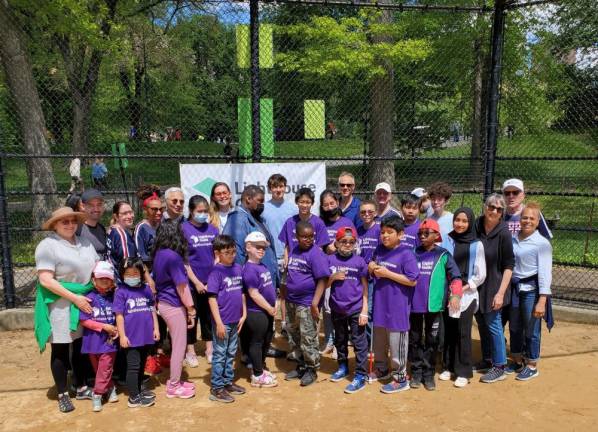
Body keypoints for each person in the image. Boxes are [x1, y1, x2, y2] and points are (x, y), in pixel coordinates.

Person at [34, 207, 99, 413]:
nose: (70, 225)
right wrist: (74, 298)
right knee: (61, 349)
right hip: (61, 304)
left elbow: (96, 267)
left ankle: (80, 387)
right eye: (65, 222)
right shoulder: (48, 246)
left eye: (73, 221)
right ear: (55, 225)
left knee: (80, 346)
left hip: (84, 300)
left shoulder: (85, 242)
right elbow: (45, 279)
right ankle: (62, 393)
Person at [367, 216, 419, 395]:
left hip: (398, 308)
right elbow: (372, 263)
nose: (385, 236)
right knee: (379, 341)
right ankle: (381, 368)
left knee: (397, 343)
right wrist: (372, 265)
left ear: (401, 234)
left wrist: (388, 273)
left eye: (390, 232)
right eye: (382, 232)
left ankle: (400, 377)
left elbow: (412, 280)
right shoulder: (379, 249)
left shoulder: (406, 254)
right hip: (381, 304)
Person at [408, 219, 462, 391]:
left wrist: (455, 295)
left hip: (435, 306)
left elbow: (456, 277)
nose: (422, 237)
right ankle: (416, 372)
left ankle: (428, 373)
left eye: (426, 233)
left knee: (432, 340)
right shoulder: (412, 252)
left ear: (436, 235)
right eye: (420, 234)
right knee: (415, 339)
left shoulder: (443, 255)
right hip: (414, 305)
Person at [442, 208, 486, 388]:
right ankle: (449, 366)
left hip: (467, 295)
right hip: (448, 292)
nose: (460, 224)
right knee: (448, 331)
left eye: (464, 221)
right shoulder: (446, 239)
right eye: (457, 220)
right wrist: (451, 290)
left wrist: (461, 289)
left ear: (470, 223)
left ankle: (463, 371)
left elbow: (480, 274)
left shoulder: (477, 244)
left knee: (462, 332)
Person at [283, 221, 331, 387]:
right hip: (291, 301)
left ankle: (311, 368)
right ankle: (301, 364)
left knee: (308, 336)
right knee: (294, 334)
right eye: (304, 237)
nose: (308, 240)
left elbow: (323, 280)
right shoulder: (295, 251)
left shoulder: (316, 254)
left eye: (311, 237)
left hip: (307, 302)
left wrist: (314, 303)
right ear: (296, 237)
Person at [508, 202, 553, 381]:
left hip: (531, 291)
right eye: (524, 217)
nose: (527, 221)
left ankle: (532, 364)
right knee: (514, 326)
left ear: (537, 221)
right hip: (515, 289)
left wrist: (542, 300)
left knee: (531, 329)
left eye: (531, 218)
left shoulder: (541, 243)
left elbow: (545, 274)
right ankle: (518, 359)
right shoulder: (513, 238)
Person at [151, 220, 196, 399]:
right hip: (173, 304)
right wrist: (191, 309)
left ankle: (175, 382)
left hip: (164, 302)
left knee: (178, 344)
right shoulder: (173, 256)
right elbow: (182, 287)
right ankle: (174, 386)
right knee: (179, 346)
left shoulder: (160, 253)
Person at [474, 194, 515, 383]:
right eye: (492, 207)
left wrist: (500, 293)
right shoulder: (476, 225)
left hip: (495, 286)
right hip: (477, 284)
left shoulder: (504, 232)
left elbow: (509, 265)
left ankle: (500, 366)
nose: (494, 211)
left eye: (499, 209)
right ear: (485, 207)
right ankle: (487, 359)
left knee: (494, 324)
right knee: (481, 323)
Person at [324, 227, 369, 394]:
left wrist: (365, 310)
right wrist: (333, 277)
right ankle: (343, 367)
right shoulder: (329, 260)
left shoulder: (359, 262)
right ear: (336, 243)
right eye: (344, 241)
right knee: (340, 340)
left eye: (351, 242)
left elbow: (365, 287)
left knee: (359, 342)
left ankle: (360, 375)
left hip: (356, 308)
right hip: (337, 307)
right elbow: (323, 284)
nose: (348, 244)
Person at [114, 257, 160, 408]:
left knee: (141, 366)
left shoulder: (146, 289)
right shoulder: (121, 292)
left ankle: (139, 390)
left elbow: (152, 308)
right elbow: (119, 315)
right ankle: (133, 397)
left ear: (141, 273)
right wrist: (122, 335)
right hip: (131, 337)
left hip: (146, 335)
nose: (132, 277)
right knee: (133, 367)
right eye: (128, 274)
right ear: (122, 274)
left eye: (135, 273)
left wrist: (156, 328)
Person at [207, 235, 247, 403]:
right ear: (217, 253)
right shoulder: (216, 272)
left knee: (231, 353)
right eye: (227, 252)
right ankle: (217, 388)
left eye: (233, 251)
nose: (231, 255)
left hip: (236, 320)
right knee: (220, 354)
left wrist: (244, 314)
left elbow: (242, 293)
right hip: (222, 322)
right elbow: (211, 298)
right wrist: (218, 323)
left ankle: (227, 382)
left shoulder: (238, 268)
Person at [181, 195, 219, 366]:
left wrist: (211, 280)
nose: (203, 214)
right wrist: (196, 282)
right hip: (191, 283)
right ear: (191, 211)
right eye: (199, 211)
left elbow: (217, 255)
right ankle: (190, 350)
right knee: (191, 316)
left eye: (205, 211)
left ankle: (209, 348)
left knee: (208, 315)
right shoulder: (183, 229)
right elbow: (184, 260)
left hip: (210, 281)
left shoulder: (213, 230)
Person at [318, 189, 356, 356]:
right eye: (325, 205)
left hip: (344, 269)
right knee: (327, 308)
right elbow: (317, 247)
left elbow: (354, 245)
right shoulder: (320, 223)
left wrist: (339, 248)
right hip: (326, 270)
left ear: (337, 203)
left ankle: (341, 342)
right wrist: (327, 249)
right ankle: (329, 340)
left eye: (332, 203)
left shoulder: (346, 222)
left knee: (341, 306)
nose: (329, 207)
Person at [79, 261, 119, 412]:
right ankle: (111, 387)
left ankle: (97, 394)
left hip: (109, 342)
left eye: (107, 278)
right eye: (101, 277)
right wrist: (103, 326)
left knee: (105, 367)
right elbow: (84, 320)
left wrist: (117, 330)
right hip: (92, 341)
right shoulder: (88, 298)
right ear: (93, 279)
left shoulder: (115, 297)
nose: (104, 281)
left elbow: (120, 317)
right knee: (100, 369)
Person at [223, 185, 278, 289]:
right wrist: (244, 283)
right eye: (259, 201)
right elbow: (236, 253)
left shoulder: (258, 219)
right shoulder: (237, 219)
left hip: (265, 281)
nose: (262, 205)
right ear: (248, 199)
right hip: (253, 284)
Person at [242, 232, 278, 388]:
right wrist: (269, 308)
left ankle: (260, 369)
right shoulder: (249, 269)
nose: (262, 250)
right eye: (258, 247)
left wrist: (273, 305)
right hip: (256, 311)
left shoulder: (261, 265)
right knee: (257, 342)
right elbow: (253, 294)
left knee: (266, 340)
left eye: (263, 247)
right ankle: (257, 375)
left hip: (266, 311)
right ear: (248, 247)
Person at [262, 174, 296, 338]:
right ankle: (268, 325)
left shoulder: (292, 209)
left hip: (287, 257)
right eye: (275, 187)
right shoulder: (263, 208)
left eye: (281, 186)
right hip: (268, 257)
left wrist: (288, 256)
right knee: (268, 292)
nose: (278, 190)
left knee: (285, 293)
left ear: (285, 187)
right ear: (269, 189)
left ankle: (284, 324)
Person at [279, 187, 329, 265]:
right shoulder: (290, 222)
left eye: (308, 202)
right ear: (296, 202)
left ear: (312, 203)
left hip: (311, 264)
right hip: (294, 264)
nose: (304, 205)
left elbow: (320, 248)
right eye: (301, 202)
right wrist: (286, 258)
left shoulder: (319, 223)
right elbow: (287, 245)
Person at [357, 200, 380, 343]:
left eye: (370, 212)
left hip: (374, 276)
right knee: (361, 307)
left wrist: (374, 264)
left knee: (370, 309)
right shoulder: (358, 230)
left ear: (375, 213)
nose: (366, 214)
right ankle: (362, 340)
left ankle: (370, 342)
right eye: (363, 212)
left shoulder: (379, 230)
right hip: (359, 275)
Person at [135, 185, 163, 268]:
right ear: (146, 209)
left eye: (160, 209)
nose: (158, 212)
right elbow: (140, 256)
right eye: (154, 209)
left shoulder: (163, 225)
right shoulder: (141, 228)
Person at [107, 201, 137, 277]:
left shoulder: (112, 230)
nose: (130, 216)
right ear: (116, 216)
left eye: (130, 212)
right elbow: (128, 265)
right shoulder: (121, 235)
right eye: (124, 213)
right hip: (122, 281)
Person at [78, 189, 108, 259]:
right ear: (83, 206)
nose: (96, 209)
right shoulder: (77, 229)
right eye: (91, 205)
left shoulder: (101, 228)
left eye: (99, 205)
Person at [427, 182, 454, 246]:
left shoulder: (452, 218)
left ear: (446, 201)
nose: (436, 202)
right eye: (433, 199)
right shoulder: (428, 220)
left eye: (439, 199)